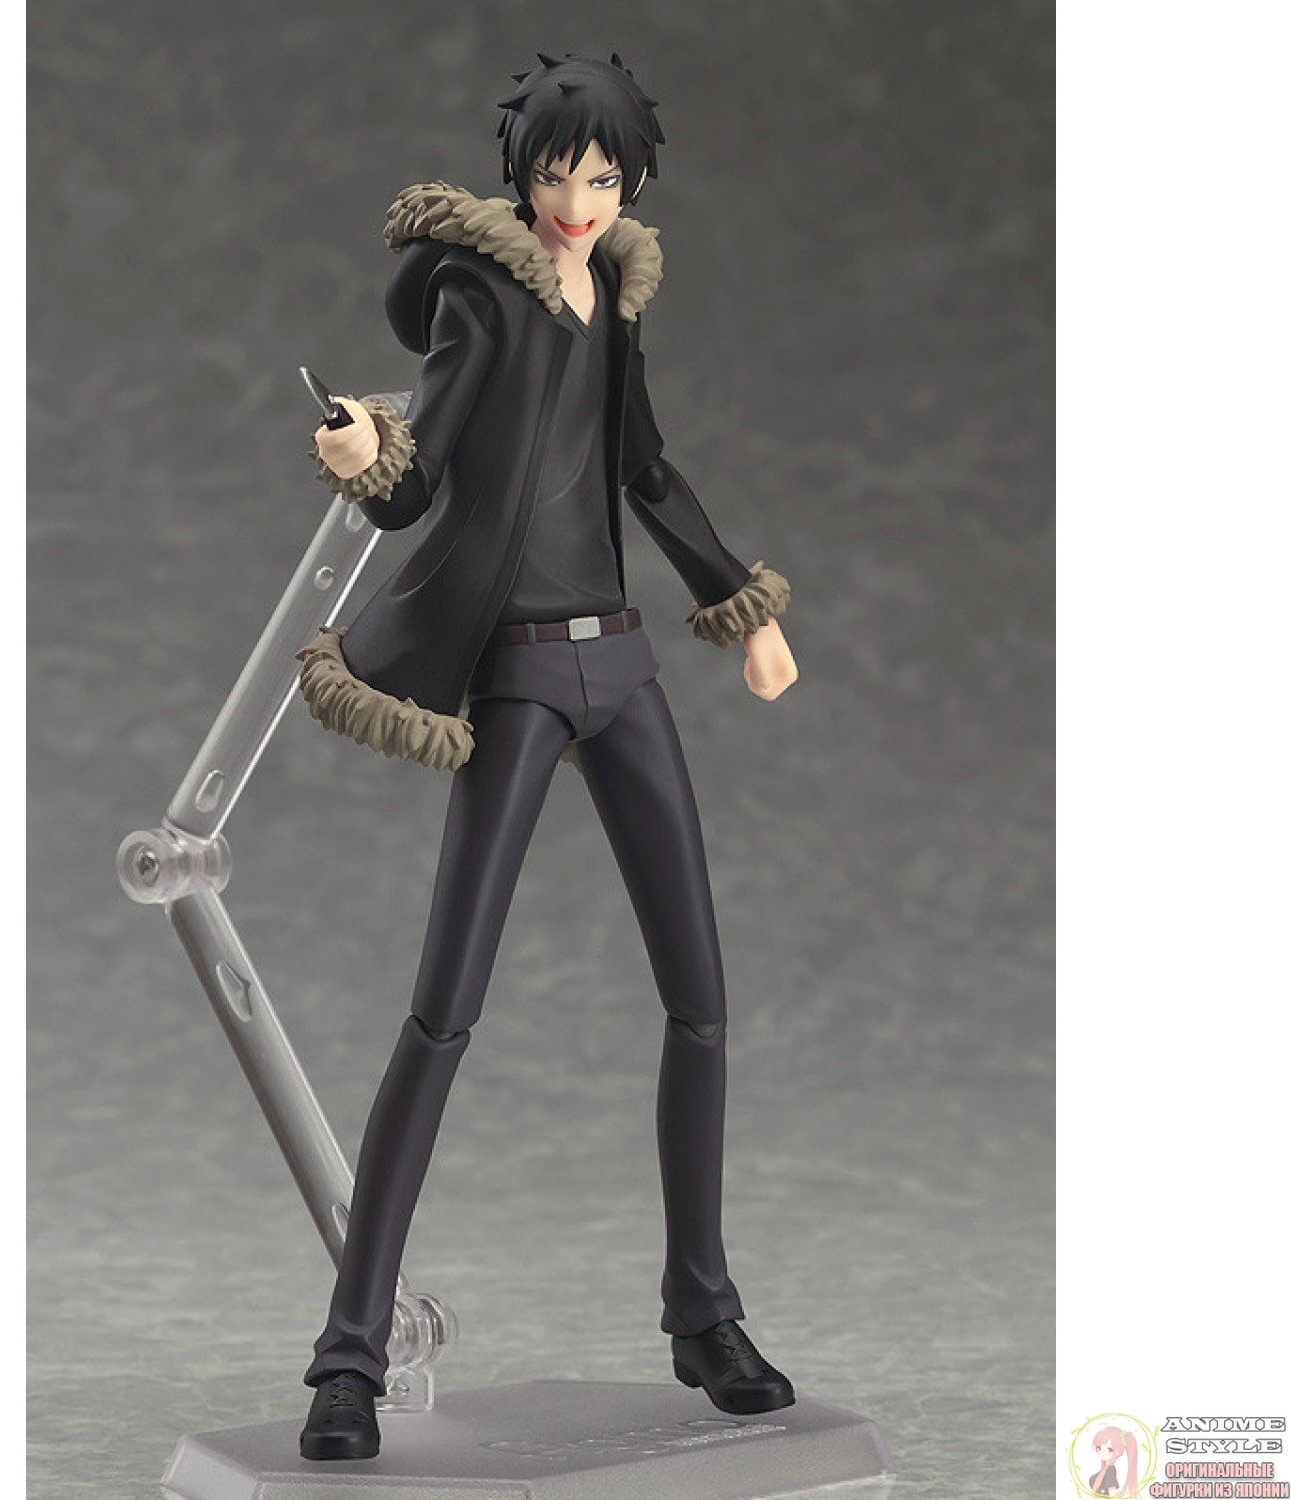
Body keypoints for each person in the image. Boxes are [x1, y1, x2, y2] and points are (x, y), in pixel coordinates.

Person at [295, 52, 800, 1461]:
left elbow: (643, 467)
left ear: (631, 182)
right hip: (517, 669)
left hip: (621, 663)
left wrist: (742, 608)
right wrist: (366, 452)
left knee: (700, 1001)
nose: (578, 201)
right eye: (556, 175)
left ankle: (703, 1315)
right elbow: (420, 480)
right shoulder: (483, 297)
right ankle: (348, 1357)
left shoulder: (615, 297)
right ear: (519, 174)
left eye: (603, 178)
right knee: (443, 1010)